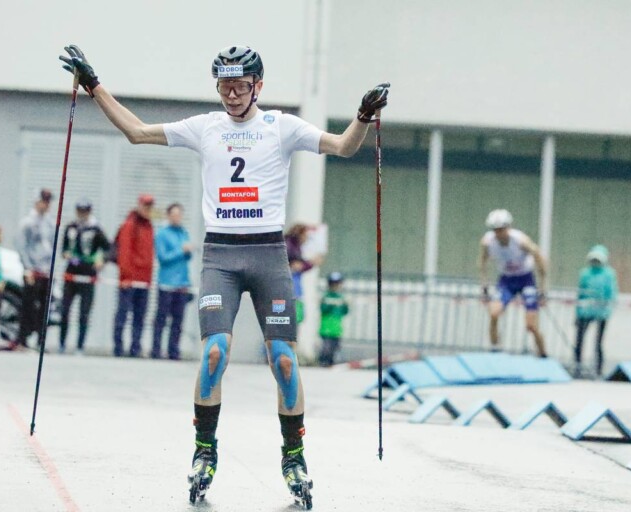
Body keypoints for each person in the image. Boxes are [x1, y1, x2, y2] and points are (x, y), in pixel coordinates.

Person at [59, 43, 388, 505]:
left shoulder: (280, 126)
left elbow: (343, 147)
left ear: (258, 87)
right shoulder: (205, 127)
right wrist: (93, 86)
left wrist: (363, 115)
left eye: (239, 87)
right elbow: (136, 132)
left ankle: (294, 457)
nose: (231, 95)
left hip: (269, 255)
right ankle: (204, 451)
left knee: (285, 361)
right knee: (215, 352)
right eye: (224, 87)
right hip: (221, 257)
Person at [478, 209, 549, 357]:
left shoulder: (520, 241)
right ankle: (495, 348)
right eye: (495, 230)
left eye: (502, 230)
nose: (499, 234)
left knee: (530, 325)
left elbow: (539, 258)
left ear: (508, 228)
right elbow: (482, 262)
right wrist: (484, 285)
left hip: (526, 279)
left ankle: (542, 352)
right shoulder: (487, 242)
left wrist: (542, 288)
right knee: (494, 313)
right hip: (506, 280)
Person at [59, 199, 111, 355]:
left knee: (84, 312)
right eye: (79, 211)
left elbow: (109, 248)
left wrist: (102, 260)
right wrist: (66, 253)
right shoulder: (71, 227)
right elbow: (63, 248)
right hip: (71, 271)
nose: (82, 214)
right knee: (65, 310)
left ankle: (80, 346)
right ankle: (62, 343)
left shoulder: (96, 229)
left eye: (85, 211)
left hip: (88, 273)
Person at [113, 194, 155, 357]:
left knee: (140, 316)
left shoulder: (149, 227)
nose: (147, 209)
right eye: (145, 206)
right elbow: (124, 252)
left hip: (144, 280)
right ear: (139, 205)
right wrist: (125, 276)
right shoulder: (130, 225)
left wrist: (149, 279)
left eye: (150, 206)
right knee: (122, 314)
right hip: (129, 280)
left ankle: (135, 347)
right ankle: (118, 347)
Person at [15, 188, 55, 349]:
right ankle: (23, 339)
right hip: (33, 270)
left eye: (48, 202)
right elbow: (22, 246)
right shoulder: (27, 222)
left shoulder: (50, 223)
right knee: (28, 305)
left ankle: (41, 340)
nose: (46, 205)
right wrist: (27, 268)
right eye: (43, 201)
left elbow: (51, 247)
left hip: (46, 270)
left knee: (44, 308)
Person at [152, 203, 193, 360]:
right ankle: (156, 350)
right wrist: (181, 250)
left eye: (179, 214)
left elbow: (188, 258)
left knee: (178, 321)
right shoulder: (162, 234)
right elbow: (163, 257)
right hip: (166, 283)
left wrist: (187, 252)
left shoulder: (183, 232)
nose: (177, 218)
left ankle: (173, 351)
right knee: (161, 319)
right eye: (174, 214)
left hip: (182, 283)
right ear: (168, 215)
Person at [574, 245, 618, 377]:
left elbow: (612, 292)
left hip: (602, 311)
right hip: (585, 311)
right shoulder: (585, 273)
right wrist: (577, 312)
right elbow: (581, 293)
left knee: (598, 342)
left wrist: (608, 309)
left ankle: (598, 369)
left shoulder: (609, 274)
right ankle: (577, 365)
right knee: (579, 340)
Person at [285, 224, 324, 324]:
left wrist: (310, 263)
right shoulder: (289, 247)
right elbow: (297, 265)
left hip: (294, 291)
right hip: (288, 292)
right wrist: (311, 263)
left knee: (296, 319)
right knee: (287, 321)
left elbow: (300, 265)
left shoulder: (295, 248)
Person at [318, 272, 349, 367]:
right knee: (327, 346)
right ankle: (323, 361)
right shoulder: (326, 296)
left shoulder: (341, 298)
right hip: (326, 326)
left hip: (336, 327)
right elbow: (323, 309)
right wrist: (331, 305)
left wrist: (345, 305)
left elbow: (345, 312)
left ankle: (331, 362)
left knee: (335, 346)